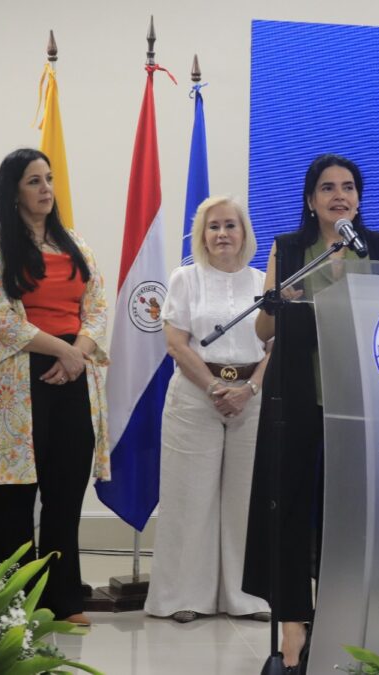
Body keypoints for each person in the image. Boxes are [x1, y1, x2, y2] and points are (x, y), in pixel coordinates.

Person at [243, 153, 379, 672]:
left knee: (346, 515)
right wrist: (274, 303)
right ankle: (292, 627)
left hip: (356, 402)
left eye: (348, 187)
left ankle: (341, 621)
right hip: (297, 396)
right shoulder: (289, 249)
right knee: (288, 512)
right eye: (328, 187)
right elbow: (264, 334)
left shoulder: (376, 247)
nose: (339, 195)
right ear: (311, 200)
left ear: (359, 197)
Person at [0, 148, 109, 626]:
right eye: (34, 181)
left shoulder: (76, 247)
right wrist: (61, 350)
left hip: (72, 378)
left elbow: (97, 307)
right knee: (14, 496)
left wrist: (79, 352)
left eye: (48, 179)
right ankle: (10, 605)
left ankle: (63, 599)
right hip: (18, 379)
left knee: (65, 494)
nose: (46, 188)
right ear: (13, 191)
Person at [144, 196, 272, 624]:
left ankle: (247, 597)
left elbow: (277, 344)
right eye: (213, 227)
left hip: (252, 397)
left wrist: (250, 388)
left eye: (230, 226)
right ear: (202, 235)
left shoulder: (262, 280)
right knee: (189, 497)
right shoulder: (185, 279)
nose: (222, 234)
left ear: (244, 232)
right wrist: (216, 385)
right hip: (196, 396)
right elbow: (176, 344)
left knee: (245, 500)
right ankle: (184, 596)